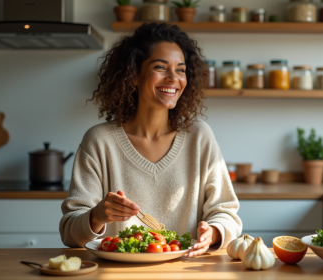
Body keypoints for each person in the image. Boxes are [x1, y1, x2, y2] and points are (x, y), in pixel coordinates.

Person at [59, 23, 242, 257]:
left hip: (187, 270)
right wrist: (97, 216)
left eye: (181, 70)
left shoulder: (199, 136)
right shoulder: (99, 141)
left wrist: (214, 232)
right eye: (160, 67)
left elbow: (227, 212)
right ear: (134, 74)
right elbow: (69, 232)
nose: (173, 78)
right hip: (118, 274)